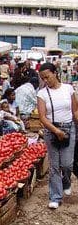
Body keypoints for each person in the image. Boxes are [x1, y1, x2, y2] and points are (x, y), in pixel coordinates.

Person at [36, 62, 78, 209]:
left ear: (55, 73)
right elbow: (42, 117)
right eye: (43, 78)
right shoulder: (42, 93)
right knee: (54, 165)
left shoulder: (68, 89)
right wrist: (55, 131)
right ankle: (55, 196)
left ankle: (66, 182)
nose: (46, 80)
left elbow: (75, 111)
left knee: (67, 164)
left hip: (69, 128)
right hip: (51, 131)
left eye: (47, 77)